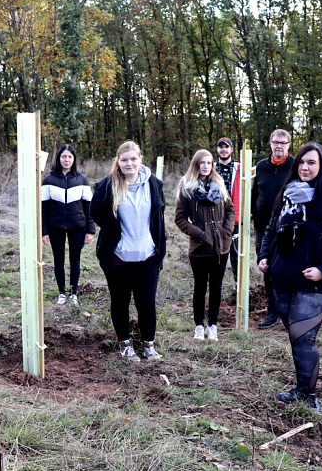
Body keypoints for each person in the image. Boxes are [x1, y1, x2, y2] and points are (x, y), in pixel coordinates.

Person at [258, 143, 322, 414]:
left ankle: (309, 395)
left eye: (311, 163)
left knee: (304, 338)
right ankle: (301, 388)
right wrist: (265, 255)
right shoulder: (287, 194)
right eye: (301, 162)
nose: (305, 167)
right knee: (294, 335)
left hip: (316, 283)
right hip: (282, 278)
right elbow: (271, 228)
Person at [91, 141, 166, 362]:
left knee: (147, 303)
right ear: (118, 162)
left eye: (133, 159)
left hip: (147, 256)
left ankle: (148, 347)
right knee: (120, 302)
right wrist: (116, 236)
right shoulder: (107, 185)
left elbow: (158, 217)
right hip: (119, 257)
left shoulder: (155, 184)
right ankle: (125, 346)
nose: (129, 163)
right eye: (124, 160)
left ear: (140, 159)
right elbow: (96, 213)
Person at [175, 150, 235, 341]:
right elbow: (180, 218)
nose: (206, 166)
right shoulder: (187, 187)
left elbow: (230, 210)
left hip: (221, 245)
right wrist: (199, 233)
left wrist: (227, 230)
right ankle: (199, 326)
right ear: (196, 164)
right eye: (202, 163)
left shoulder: (219, 184)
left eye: (209, 163)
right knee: (200, 287)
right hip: (200, 247)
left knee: (216, 286)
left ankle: (213, 325)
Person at [41, 144, 95, 307]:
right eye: (63, 156)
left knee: (75, 260)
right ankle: (62, 293)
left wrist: (90, 231)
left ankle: (73, 294)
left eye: (70, 157)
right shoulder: (48, 180)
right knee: (58, 260)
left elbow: (89, 207)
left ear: (74, 159)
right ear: (58, 158)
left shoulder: (82, 180)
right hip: (55, 226)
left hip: (77, 226)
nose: (67, 160)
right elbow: (43, 209)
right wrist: (44, 231)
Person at [251, 129, 295, 329]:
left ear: (288, 145)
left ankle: (290, 310)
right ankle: (272, 311)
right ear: (270, 143)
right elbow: (254, 193)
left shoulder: (295, 166)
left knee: (286, 265)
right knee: (266, 266)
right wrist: (251, 213)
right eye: (276, 142)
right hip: (261, 226)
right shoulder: (261, 166)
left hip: (286, 227)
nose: (279, 146)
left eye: (283, 143)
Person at [214, 137, 241, 280]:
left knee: (236, 252)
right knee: (215, 250)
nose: (224, 149)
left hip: (234, 216)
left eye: (226, 147)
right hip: (215, 216)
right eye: (221, 147)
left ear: (231, 149)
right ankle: (213, 283)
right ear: (217, 149)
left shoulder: (240, 168)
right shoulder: (210, 167)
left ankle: (238, 283)